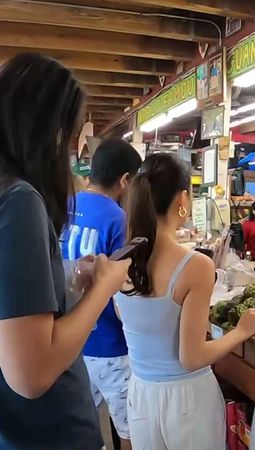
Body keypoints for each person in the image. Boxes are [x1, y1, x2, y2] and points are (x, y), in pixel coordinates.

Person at [0, 53, 131, 449]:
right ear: (49, 130)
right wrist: (102, 289)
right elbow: (32, 373)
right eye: (70, 133)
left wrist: (67, 283)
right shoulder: (19, 200)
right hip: (46, 432)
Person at [115, 153, 255, 449]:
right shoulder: (195, 265)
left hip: (141, 394)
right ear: (183, 199)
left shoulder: (122, 259)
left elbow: (126, 317)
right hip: (187, 400)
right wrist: (241, 331)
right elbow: (192, 357)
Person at [62, 138, 143, 450]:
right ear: (125, 180)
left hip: (70, 340)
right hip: (110, 345)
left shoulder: (66, 204)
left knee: (81, 424)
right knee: (129, 431)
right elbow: (124, 288)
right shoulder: (118, 218)